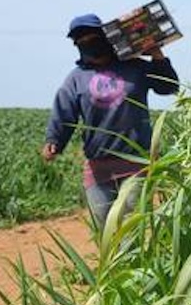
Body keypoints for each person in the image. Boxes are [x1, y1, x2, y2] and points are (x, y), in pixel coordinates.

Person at [42, 13, 180, 229]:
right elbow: (64, 112)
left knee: (128, 234)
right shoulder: (76, 78)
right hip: (98, 170)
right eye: (81, 40)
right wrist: (54, 140)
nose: (88, 42)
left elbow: (169, 87)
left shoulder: (135, 66)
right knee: (104, 234)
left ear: (107, 36)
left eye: (93, 36)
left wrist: (157, 55)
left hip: (136, 165)